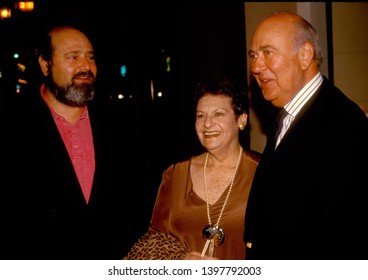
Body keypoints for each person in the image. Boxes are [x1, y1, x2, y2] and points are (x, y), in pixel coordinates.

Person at [0, 25, 151, 260]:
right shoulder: (11, 130)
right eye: (73, 57)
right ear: (45, 64)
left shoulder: (121, 126)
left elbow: (138, 209)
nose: (86, 67)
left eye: (90, 58)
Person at [244, 11, 368, 260]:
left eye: (268, 52)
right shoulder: (290, 113)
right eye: (254, 55)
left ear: (305, 56)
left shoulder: (344, 125)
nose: (256, 66)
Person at [124, 77, 260, 260]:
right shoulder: (175, 174)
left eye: (218, 114)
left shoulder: (263, 171)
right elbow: (153, 240)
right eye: (200, 115)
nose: (207, 124)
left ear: (241, 120)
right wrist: (181, 260)